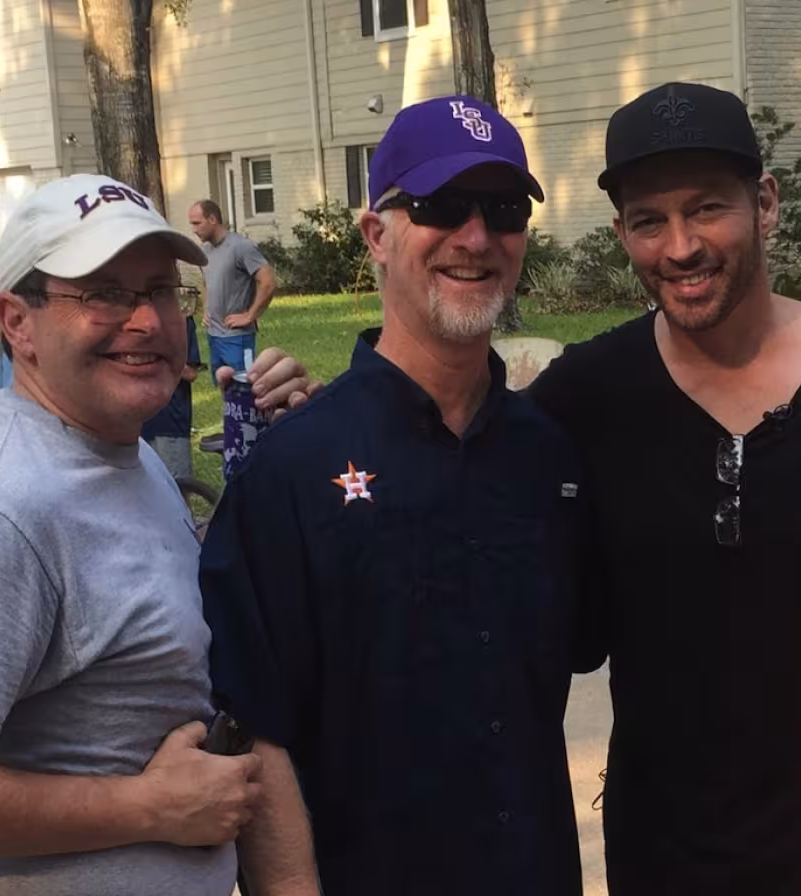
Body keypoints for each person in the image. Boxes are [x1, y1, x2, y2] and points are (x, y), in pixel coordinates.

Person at [234, 81, 801, 895]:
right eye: (649, 219)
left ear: (766, 203)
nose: (682, 246)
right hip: (661, 854)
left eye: (709, 208)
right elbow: (434, 443)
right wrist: (333, 423)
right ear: (622, 232)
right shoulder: (584, 398)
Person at [0, 173, 262, 896]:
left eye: (160, 290)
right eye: (103, 293)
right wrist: (150, 807)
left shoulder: (113, 450)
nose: (149, 321)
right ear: (15, 320)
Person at [198, 96, 585, 896]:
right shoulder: (293, 471)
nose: (476, 238)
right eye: (440, 206)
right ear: (377, 235)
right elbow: (254, 740)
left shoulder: (550, 460)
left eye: (504, 211)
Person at [189, 198, 275, 374]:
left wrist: (250, 316)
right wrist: (206, 310)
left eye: (197, 223)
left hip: (237, 337)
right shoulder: (205, 250)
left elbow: (268, 282)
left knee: (244, 389)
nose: (194, 229)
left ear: (212, 219)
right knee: (224, 387)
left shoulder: (241, 246)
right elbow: (206, 282)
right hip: (214, 336)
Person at [142, 301, 202, 480]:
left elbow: (191, 373)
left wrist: (155, 356)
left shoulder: (181, 321)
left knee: (177, 489)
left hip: (169, 422)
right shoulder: (129, 320)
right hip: (137, 423)